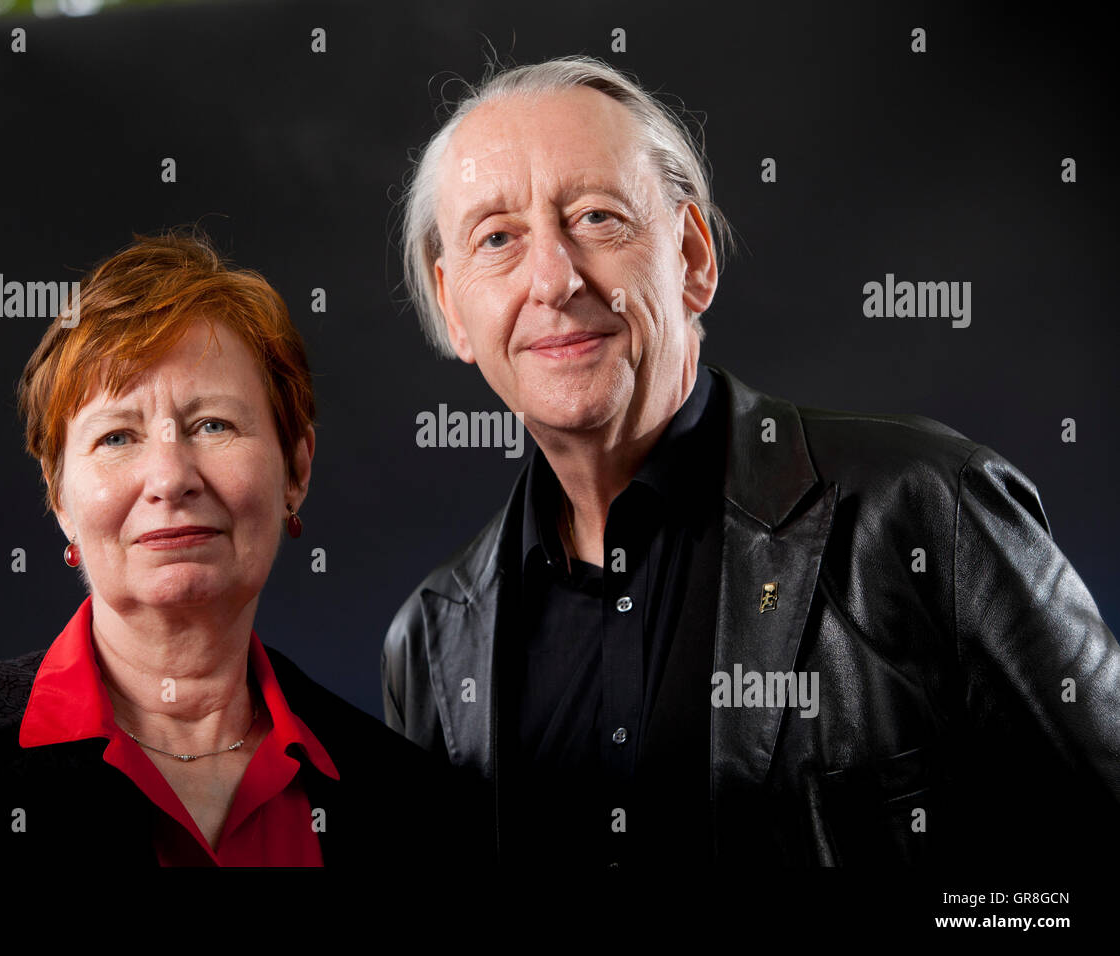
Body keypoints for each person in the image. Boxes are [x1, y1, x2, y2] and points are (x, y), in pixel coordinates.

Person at [382, 55, 1120, 867]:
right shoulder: (428, 641)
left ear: (693, 257)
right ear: (453, 307)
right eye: (498, 238)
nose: (552, 278)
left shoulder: (927, 512)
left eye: (597, 218)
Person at [0, 230, 471, 867]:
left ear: (296, 470)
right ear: (59, 499)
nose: (169, 478)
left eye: (212, 424)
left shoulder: (413, 800)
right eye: (116, 438)